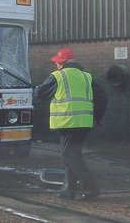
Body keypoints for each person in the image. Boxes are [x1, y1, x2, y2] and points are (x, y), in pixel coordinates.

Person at [34, 48, 107, 201]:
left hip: (69, 122)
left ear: (62, 63)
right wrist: (98, 117)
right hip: (84, 123)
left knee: (69, 157)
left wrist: (37, 90)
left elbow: (40, 95)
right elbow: (102, 97)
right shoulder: (87, 76)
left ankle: (91, 188)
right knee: (74, 154)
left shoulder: (57, 76)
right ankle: (68, 190)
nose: (56, 65)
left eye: (57, 62)